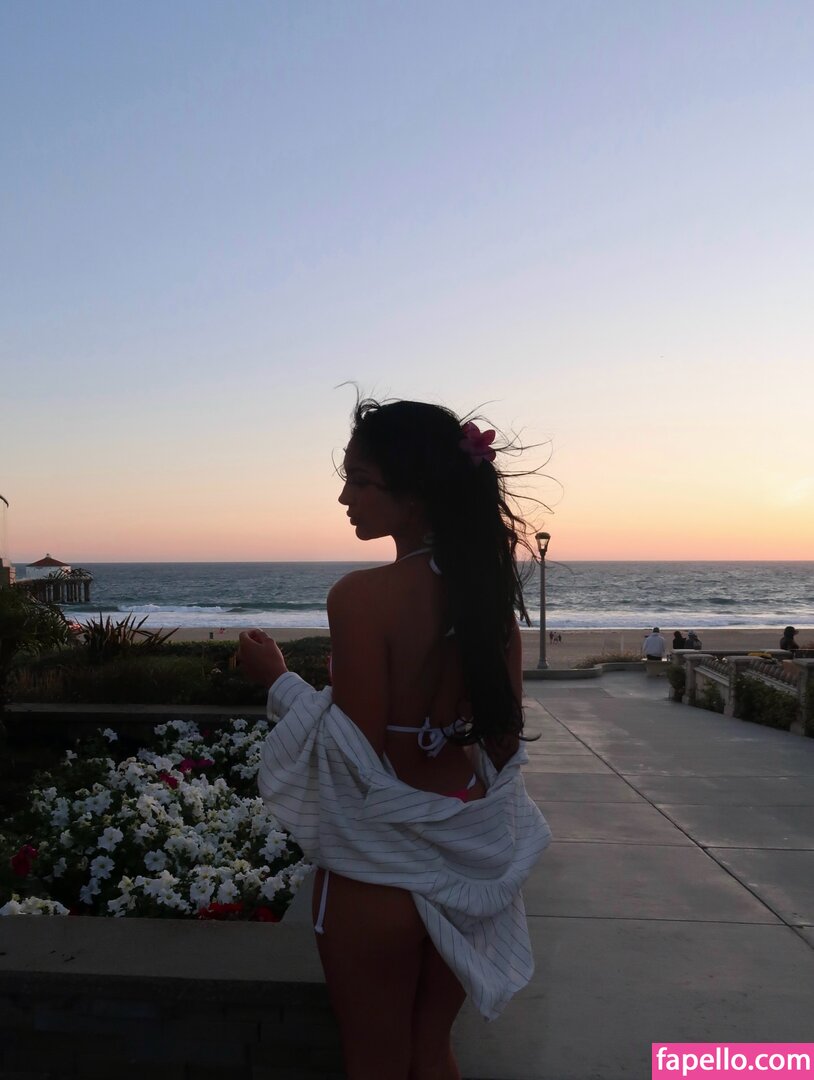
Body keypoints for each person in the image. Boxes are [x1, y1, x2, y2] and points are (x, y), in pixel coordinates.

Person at [237, 397, 551, 1080]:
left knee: (374, 1063)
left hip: (373, 875)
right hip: (469, 863)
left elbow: (352, 753)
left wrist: (278, 681)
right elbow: (502, 745)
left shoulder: (360, 598)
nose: (345, 498)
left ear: (414, 495)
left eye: (360, 481)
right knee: (431, 1053)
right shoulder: (488, 602)